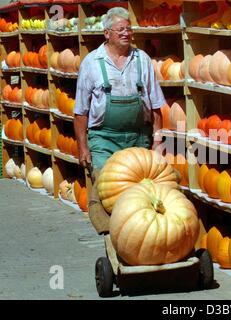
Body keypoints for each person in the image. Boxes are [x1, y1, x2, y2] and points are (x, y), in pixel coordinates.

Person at [74, 7, 166, 234]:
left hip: (138, 137)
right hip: (104, 138)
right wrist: (83, 147)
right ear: (107, 33)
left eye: (129, 29)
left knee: (143, 191)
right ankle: (112, 236)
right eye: (120, 30)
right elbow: (80, 111)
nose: (126, 33)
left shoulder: (142, 60)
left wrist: (157, 140)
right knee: (108, 189)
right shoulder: (92, 62)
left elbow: (155, 105)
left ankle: (143, 236)